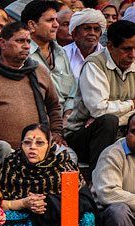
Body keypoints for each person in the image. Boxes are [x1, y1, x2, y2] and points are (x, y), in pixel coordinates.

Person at [0, 22, 64, 150]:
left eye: (28, 41)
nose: (26, 46)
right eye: (20, 41)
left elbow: (53, 105)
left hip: (39, 149)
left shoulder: (39, 71)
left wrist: (56, 132)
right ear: (3, 43)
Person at [65, 20, 135, 167]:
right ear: (110, 46)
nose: (132, 55)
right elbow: (99, 110)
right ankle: (97, 177)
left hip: (123, 129)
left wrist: (122, 118)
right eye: (126, 49)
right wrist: (132, 104)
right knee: (108, 121)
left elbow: (100, 114)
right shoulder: (95, 65)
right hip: (83, 134)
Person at [92, 114, 135, 226]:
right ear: (125, 133)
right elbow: (108, 193)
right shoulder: (112, 154)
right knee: (119, 211)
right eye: (134, 132)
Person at [23, 1, 76, 113]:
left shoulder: (61, 52)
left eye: (56, 20)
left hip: (67, 122)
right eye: (50, 20)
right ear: (32, 25)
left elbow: (72, 92)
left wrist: (68, 114)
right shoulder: (22, 54)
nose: (56, 24)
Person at [63, 8, 106, 79]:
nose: (92, 33)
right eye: (87, 28)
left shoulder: (107, 56)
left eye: (96, 29)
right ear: (74, 34)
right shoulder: (63, 54)